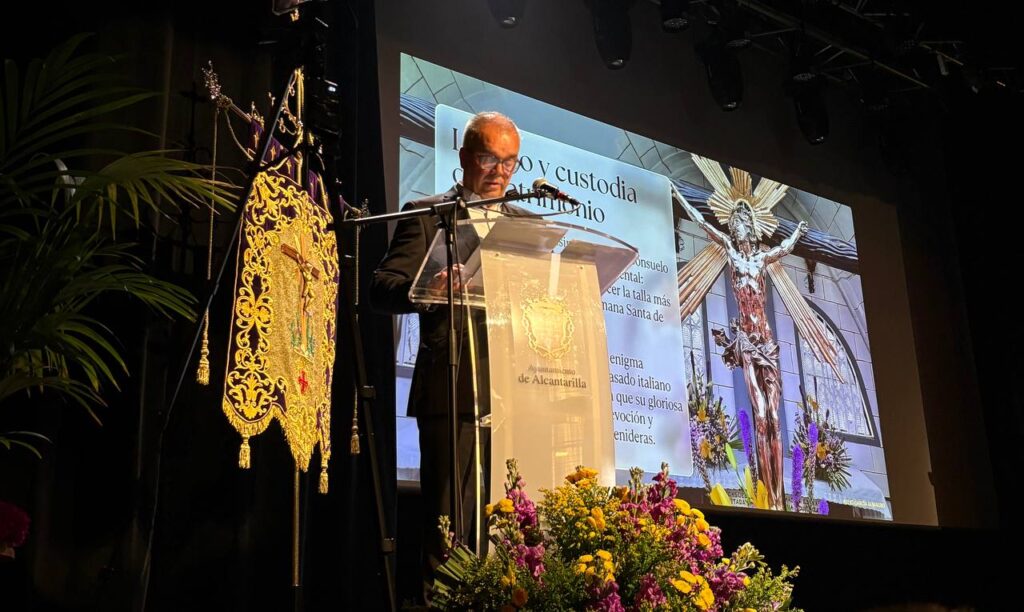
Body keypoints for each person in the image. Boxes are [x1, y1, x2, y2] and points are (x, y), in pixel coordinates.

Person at [370, 111, 522, 597]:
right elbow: (381, 287)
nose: (500, 172)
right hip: (452, 388)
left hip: (518, 390)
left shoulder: (525, 226)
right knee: (450, 528)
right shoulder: (427, 213)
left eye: (510, 162)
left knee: (511, 527)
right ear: (464, 157)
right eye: (489, 159)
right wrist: (426, 290)